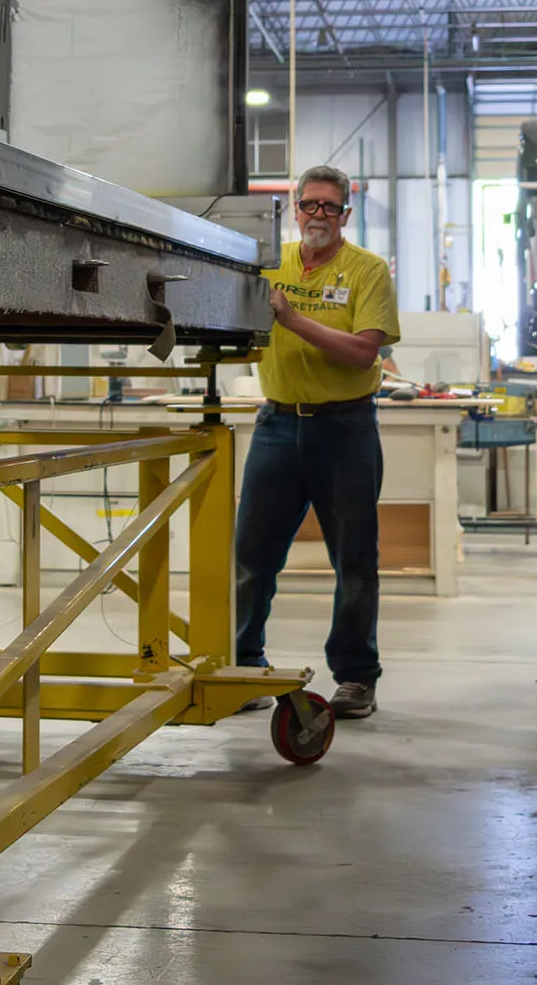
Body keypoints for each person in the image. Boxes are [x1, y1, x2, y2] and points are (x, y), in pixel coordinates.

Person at [232, 165, 400, 720]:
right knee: (252, 556)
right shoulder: (269, 263)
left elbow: (362, 352)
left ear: (346, 214)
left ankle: (355, 676)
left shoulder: (367, 271)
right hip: (277, 425)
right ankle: (244, 662)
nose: (318, 216)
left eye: (330, 207)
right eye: (310, 205)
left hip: (345, 428)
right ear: (294, 206)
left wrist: (290, 316)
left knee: (354, 560)